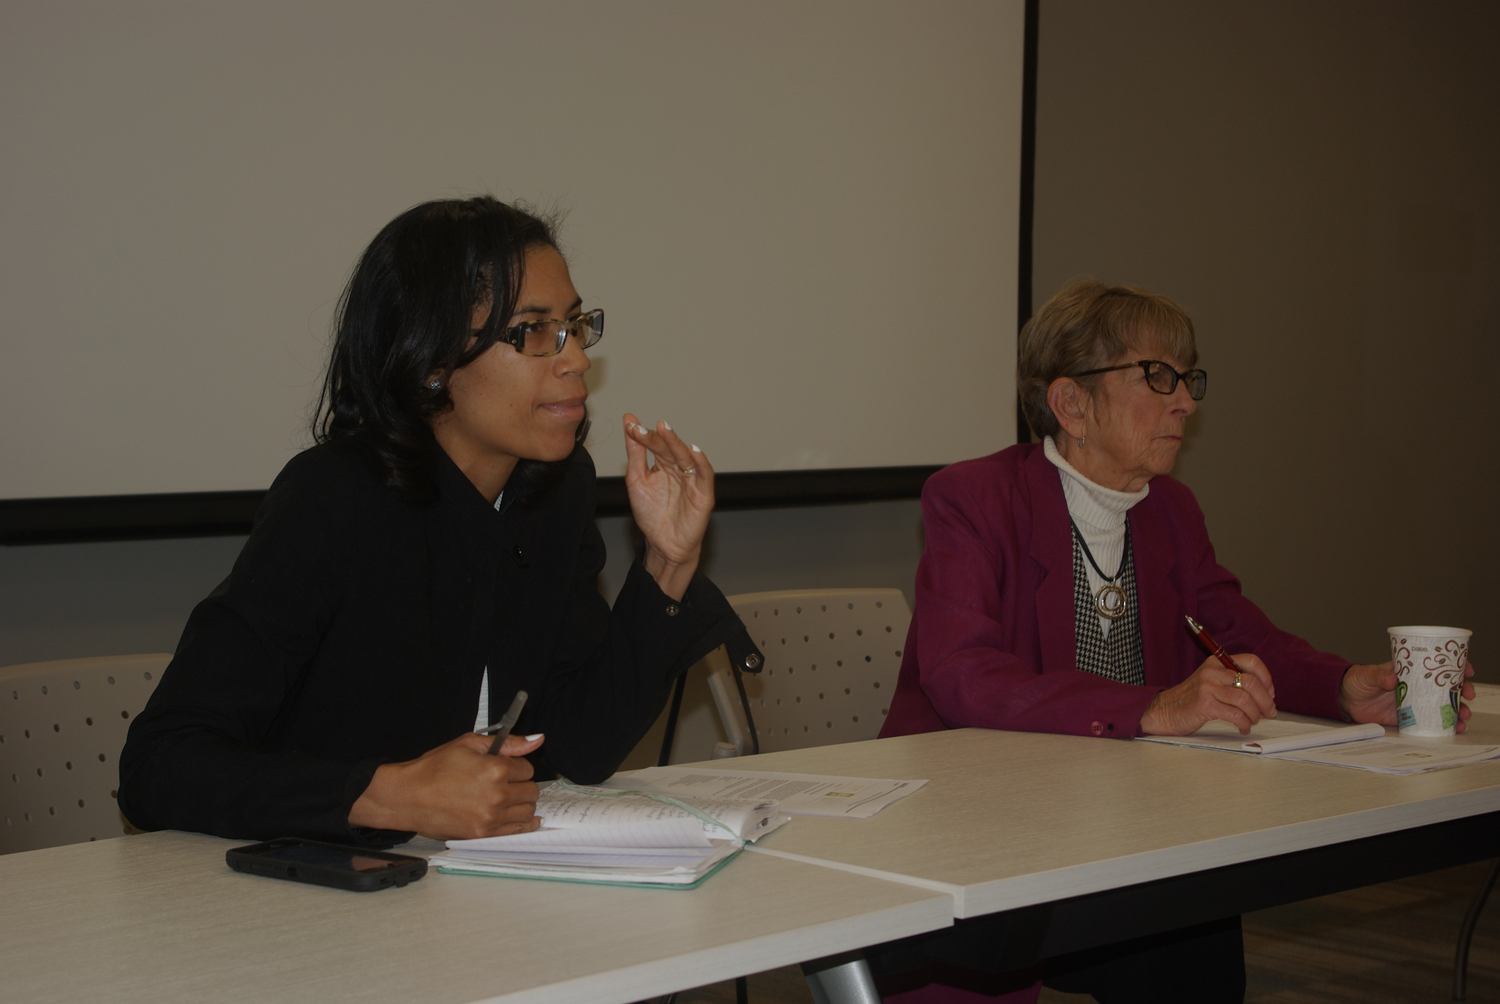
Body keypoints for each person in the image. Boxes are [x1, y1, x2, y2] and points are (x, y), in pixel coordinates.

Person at [872, 279, 1474, 1004]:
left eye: (1189, 379)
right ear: (1071, 404)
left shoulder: (1171, 511)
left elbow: (1236, 634)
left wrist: (1342, 687)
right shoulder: (973, 497)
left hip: (1123, 817)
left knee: (1195, 930)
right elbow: (961, 673)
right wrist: (1151, 708)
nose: (1185, 401)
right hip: (981, 819)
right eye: (1158, 376)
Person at [119, 196, 759, 847]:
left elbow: (582, 745)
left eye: (574, 325)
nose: (576, 359)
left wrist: (669, 562)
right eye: (534, 332)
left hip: (472, 882)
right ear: (430, 363)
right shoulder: (333, 498)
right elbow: (159, 763)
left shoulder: (553, 493)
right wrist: (389, 794)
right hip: (315, 883)